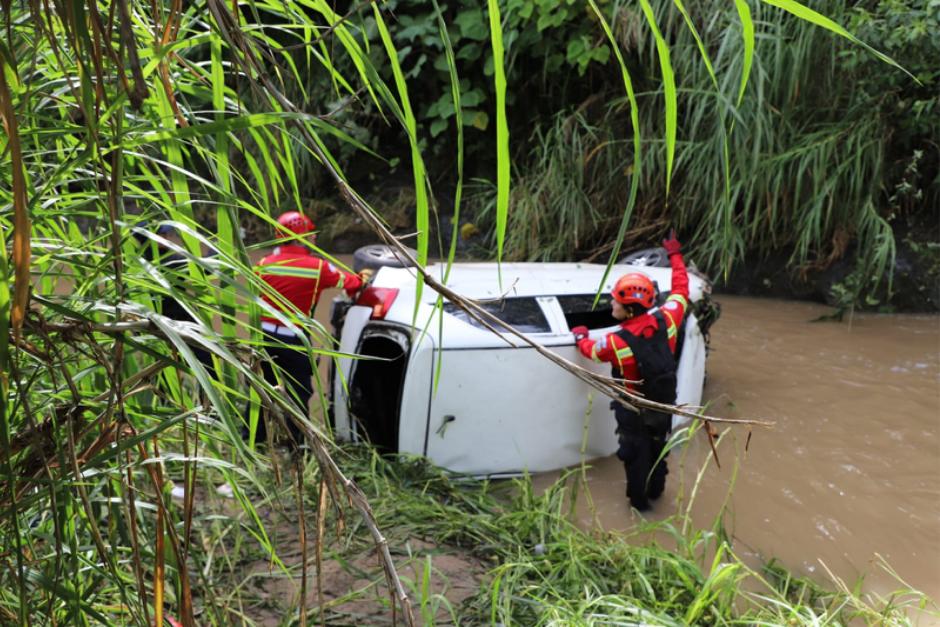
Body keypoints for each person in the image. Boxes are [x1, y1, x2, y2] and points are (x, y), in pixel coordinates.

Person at [571, 230, 689, 511]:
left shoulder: (615, 343)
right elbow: (681, 291)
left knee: (635, 457)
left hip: (633, 412)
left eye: (616, 302)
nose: (612, 303)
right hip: (663, 407)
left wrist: (579, 335)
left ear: (630, 310)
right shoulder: (669, 320)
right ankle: (657, 495)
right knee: (659, 451)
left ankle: (640, 509)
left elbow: (590, 349)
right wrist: (674, 254)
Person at [255, 211, 370, 444]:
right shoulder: (318, 267)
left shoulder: (263, 264)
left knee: (260, 392)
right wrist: (364, 277)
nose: (314, 239)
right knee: (299, 394)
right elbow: (351, 284)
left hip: (262, 338)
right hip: (293, 340)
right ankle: (297, 447)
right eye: (310, 234)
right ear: (301, 237)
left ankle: (253, 444)